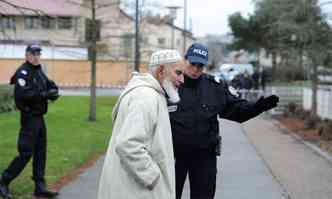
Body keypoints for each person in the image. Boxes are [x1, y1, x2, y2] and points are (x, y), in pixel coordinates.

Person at [168, 43, 279, 199]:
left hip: (204, 157)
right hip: (173, 156)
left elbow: (236, 109)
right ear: (185, 60)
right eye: (192, 64)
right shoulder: (171, 85)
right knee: (168, 195)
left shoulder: (214, 87)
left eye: (200, 66)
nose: (195, 69)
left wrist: (257, 107)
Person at [97, 49, 185, 199]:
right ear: (161, 70)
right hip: (136, 191)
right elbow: (128, 144)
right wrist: (153, 177)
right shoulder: (146, 97)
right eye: (178, 73)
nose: (182, 80)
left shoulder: (151, 94)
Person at [0, 44, 60, 199]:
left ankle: (39, 186)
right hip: (29, 118)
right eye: (33, 54)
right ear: (27, 55)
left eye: (38, 54)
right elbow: (24, 94)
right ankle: (4, 181)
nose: (36, 56)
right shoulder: (23, 72)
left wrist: (53, 89)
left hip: (39, 118)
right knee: (26, 153)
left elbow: (48, 84)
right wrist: (45, 95)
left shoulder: (38, 70)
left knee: (40, 152)